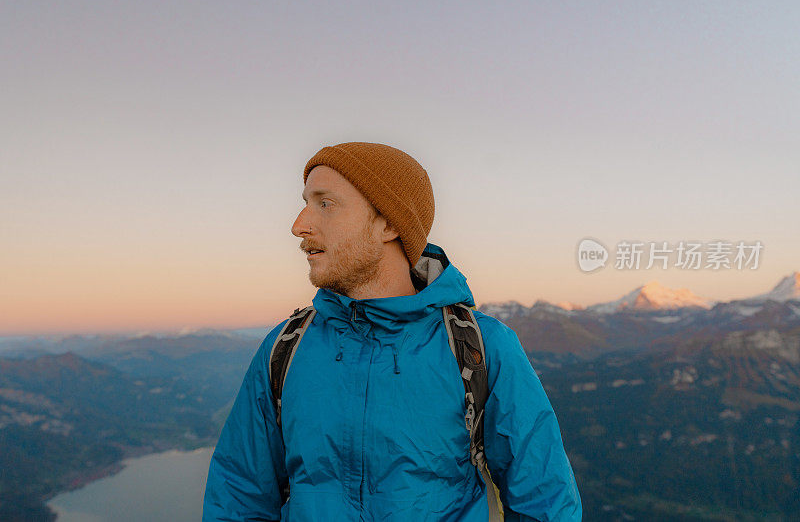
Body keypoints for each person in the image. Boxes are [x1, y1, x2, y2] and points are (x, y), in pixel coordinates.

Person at [202, 142, 582, 521]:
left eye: (325, 204)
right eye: (306, 202)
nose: (299, 225)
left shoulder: (481, 348)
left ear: (388, 224)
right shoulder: (284, 349)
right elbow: (239, 497)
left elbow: (544, 502)